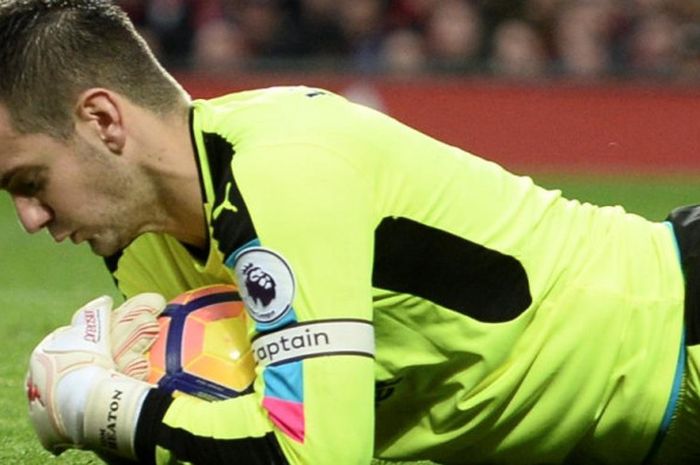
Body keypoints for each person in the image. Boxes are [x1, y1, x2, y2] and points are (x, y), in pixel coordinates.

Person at [0, 1, 698, 465]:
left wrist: (101, 403)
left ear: (102, 121)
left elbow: (317, 453)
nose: (31, 219)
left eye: (31, 182)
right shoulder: (143, 246)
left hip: (680, 340)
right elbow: (224, 417)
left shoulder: (285, 168)